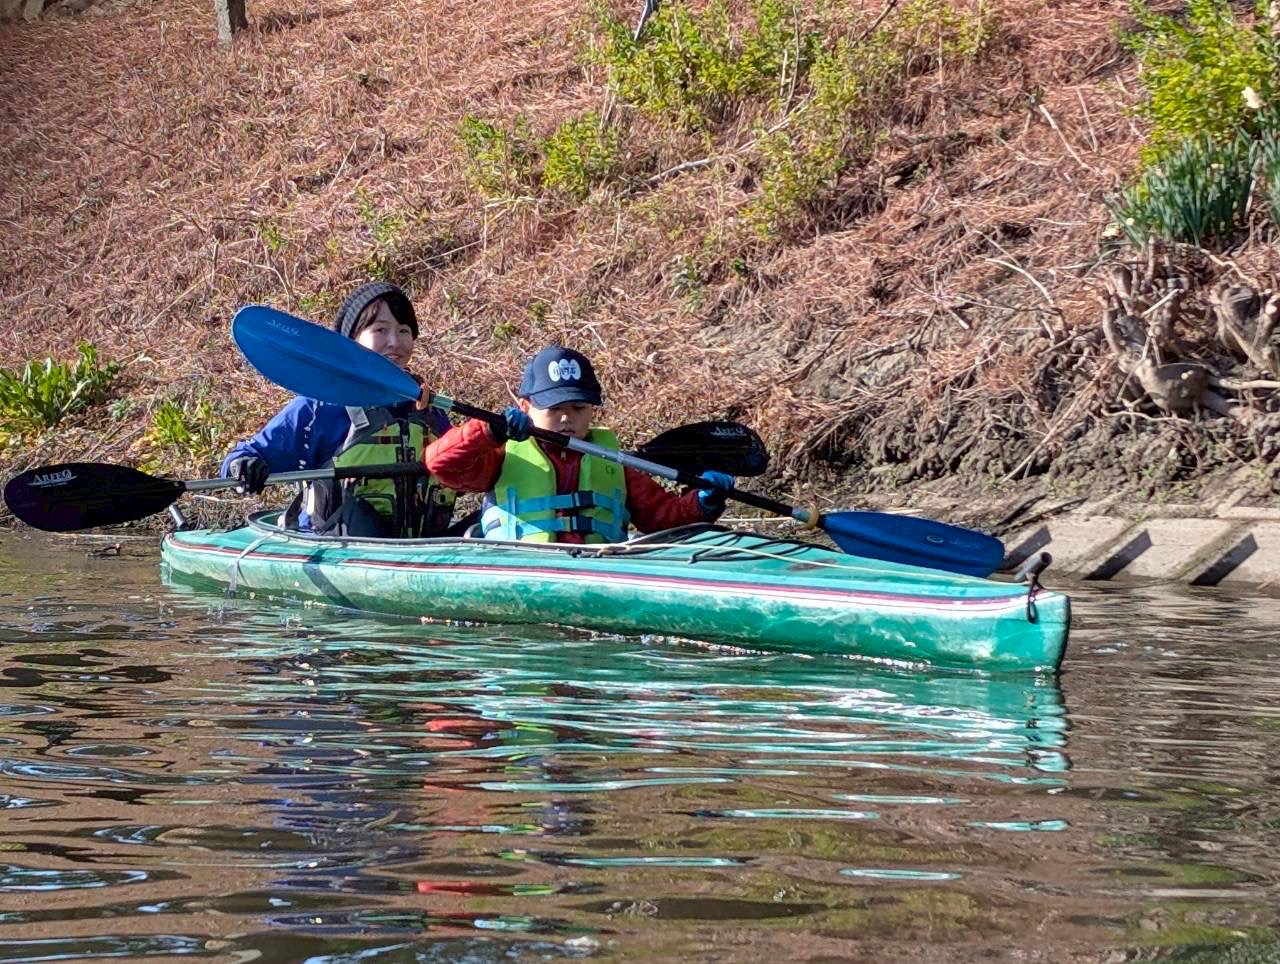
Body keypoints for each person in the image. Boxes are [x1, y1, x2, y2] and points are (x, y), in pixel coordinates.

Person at [423, 345, 734, 543]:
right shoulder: (502, 454)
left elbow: (663, 517)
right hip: (522, 565)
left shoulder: (613, 462)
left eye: (578, 408)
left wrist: (702, 502)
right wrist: (487, 432)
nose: (566, 418)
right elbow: (441, 465)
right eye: (554, 408)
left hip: (596, 567)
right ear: (526, 407)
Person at [220, 281, 458, 538]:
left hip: (423, 546)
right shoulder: (322, 406)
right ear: (352, 340)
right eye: (380, 329)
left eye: (403, 330)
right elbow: (248, 454)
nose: (394, 341)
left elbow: (464, 470)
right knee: (360, 517)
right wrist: (243, 466)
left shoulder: (430, 409)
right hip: (339, 541)